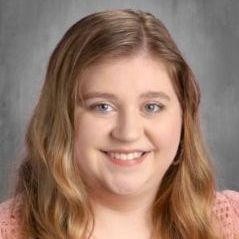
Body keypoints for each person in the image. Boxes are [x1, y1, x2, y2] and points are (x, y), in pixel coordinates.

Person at [0, 9, 238, 239]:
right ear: (60, 118)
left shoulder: (232, 221)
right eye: (102, 106)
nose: (128, 133)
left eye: (151, 106)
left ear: (184, 116)